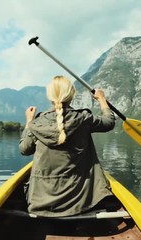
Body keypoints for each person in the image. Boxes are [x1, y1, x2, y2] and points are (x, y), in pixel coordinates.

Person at [19, 75, 116, 217]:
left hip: (40, 202)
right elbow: (109, 122)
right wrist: (101, 99)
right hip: (80, 202)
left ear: (49, 96)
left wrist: (29, 122)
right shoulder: (83, 118)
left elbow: (24, 150)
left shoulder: (37, 122)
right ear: (72, 95)